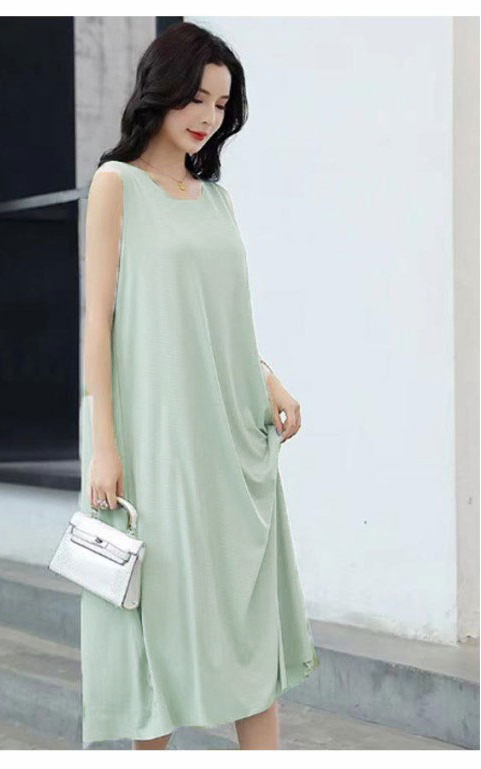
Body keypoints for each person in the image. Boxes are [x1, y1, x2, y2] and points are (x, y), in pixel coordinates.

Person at [79, 21, 319, 750]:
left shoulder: (217, 200)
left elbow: (223, 316)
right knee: (157, 613)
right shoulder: (116, 185)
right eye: (197, 97)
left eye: (220, 103)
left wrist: (266, 377)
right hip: (156, 438)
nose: (208, 116)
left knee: (248, 613)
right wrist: (105, 446)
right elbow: (97, 324)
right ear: (163, 89)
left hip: (229, 431)